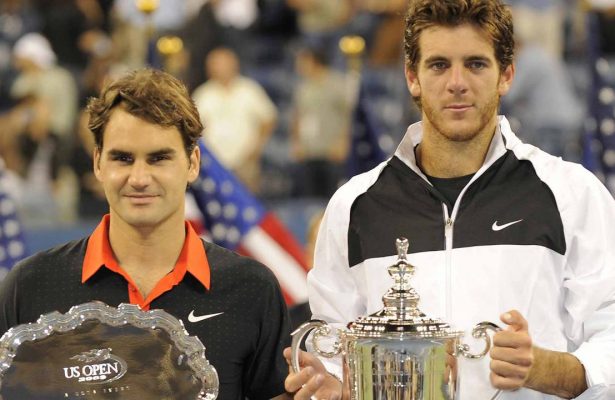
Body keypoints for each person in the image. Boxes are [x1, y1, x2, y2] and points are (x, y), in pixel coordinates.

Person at [283, 0, 615, 399]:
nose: (457, 82)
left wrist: (544, 368)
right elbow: (335, 343)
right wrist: (330, 383)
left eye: (476, 64)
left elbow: (610, 339)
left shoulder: (571, 193)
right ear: (412, 77)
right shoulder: (354, 205)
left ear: (505, 75)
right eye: (439, 65)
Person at [0, 68, 291, 400]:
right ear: (98, 164)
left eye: (159, 158)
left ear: (193, 163)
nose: (139, 178)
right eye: (122, 158)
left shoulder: (251, 288)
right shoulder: (30, 286)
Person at [192, 47, 277, 194]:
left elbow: (269, 118)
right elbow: (193, 128)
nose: (219, 68)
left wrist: (257, 147)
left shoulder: (249, 89)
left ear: (234, 64)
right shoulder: (203, 94)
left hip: (245, 162)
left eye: (222, 63)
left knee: (249, 205)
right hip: (213, 164)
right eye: (214, 64)